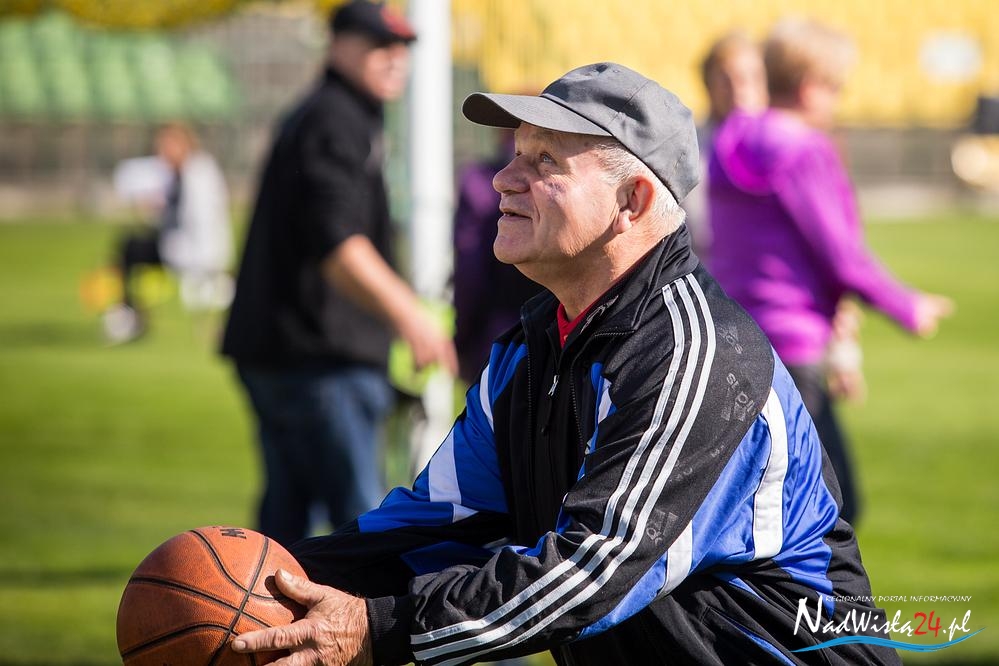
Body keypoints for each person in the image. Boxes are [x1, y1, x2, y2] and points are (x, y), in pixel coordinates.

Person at [231, 62, 902, 665]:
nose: (504, 178)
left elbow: (592, 570)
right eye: (515, 153)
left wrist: (376, 629)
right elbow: (437, 524)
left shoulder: (695, 355)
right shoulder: (526, 353)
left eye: (545, 160)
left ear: (632, 202)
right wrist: (264, 581)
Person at [221, 0, 457, 547]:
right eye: (378, 45)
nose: (394, 57)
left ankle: (258, 604)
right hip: (317, 361)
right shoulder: (336, 118)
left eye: (402, 47)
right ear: (336, 46)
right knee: (362, 530)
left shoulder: (333, 113)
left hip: (289, 352)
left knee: (286, 533)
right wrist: (412, 318)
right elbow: (340, 246)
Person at [707, 18, 954, 524]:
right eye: (836, 88)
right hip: (793, 347)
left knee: (765, 506)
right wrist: (907, 305)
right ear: (810, 85)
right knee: (831, 512)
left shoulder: (728, 140)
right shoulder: (804, 148)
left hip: (735, 339)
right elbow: (842, 254)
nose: (838, 101)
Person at [102, 122, 231, 343]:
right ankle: (130, 313)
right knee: (129, 248)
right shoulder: (174, 174)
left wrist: (209, 266)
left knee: (132, 249)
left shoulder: (199, 174)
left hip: (196, 256)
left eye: (168, 144)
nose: (163, 151)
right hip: (176, 248)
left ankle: (130, 318)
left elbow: (205, 224)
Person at [452, 128, 545, 385]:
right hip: (562, 337)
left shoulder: (480, 183)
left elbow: (470, 274)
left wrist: (461, 339)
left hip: (496, 342)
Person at [683, 30, 767, 259]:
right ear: (708, 85)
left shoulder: (786, 147)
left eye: (750, 78)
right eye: (726, 80)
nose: (738, 90)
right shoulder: (688, 146)